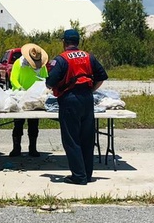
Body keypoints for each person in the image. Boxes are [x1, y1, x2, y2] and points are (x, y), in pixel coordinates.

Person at [46, 29, 109, 185]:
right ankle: (87, 174)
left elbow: (50, 82)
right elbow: (102, 76)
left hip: (69, 100)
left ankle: (78, 176)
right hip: (87, 99)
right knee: (87, 139)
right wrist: (90, 90)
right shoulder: (89, 56)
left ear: (64, 42)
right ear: (78, 42)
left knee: (71, 139)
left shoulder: (61, 59)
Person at [9, 43, 49, 157]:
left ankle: (33, 148)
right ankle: (16, 148)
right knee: (18, 124)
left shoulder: (42, 65)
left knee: (34, 124)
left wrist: (42, 92)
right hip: (20, 97)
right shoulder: (19, 63)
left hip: (35, 98)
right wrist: (20, 89)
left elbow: (45, 79)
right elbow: (13, 79)